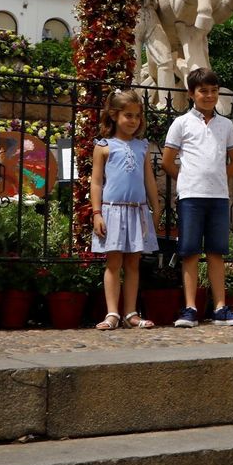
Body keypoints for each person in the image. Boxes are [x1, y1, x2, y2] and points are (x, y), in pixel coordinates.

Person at [161, 67, 233, 327]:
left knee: (216, 252)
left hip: (219, 197)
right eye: (203, 91)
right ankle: (190, 309)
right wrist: (189, 180)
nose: (209, 96)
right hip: (191, 197)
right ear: (191, 94)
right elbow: (167, 161)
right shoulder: (181, 123)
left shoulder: (226, 125)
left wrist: (218, 179)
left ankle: (220, 308)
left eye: (213, 91)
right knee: (189, 252)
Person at [90, 87, 162, 330]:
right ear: (114, 115)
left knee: (133, 263)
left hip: (137, 211)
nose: (133, 121)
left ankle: (131, 312)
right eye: (128, 115)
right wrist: (97, 212)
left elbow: (149, 180)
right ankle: (112, 313)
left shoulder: (142, 146)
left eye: (137, 116)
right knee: (114, 263)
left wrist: (156, 206)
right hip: (112, 211)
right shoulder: (103, 145)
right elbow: (97, 181)